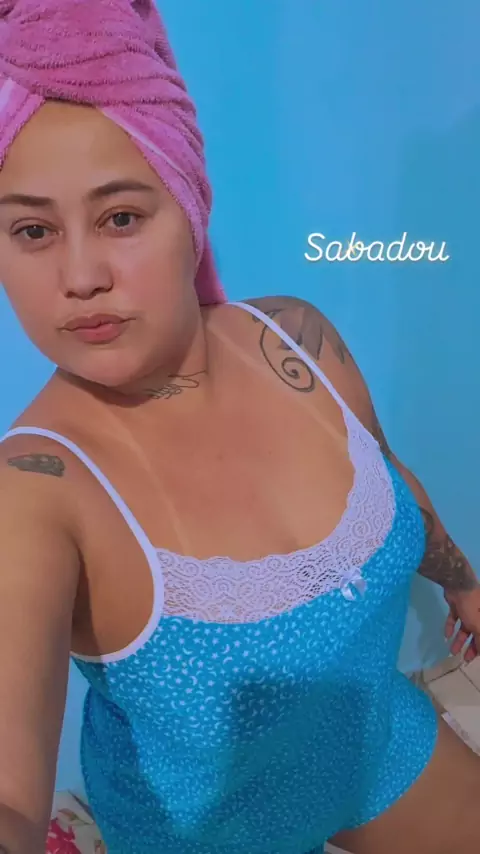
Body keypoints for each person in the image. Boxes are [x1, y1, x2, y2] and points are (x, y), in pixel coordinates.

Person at [0, 2, 479, 854]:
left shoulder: (294, 338)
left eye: (121, 217)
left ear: (191, 205)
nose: (80, 276)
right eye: (32, 230)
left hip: (378, 752)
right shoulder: (35, 490)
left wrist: (464, 583)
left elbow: (388, 475)